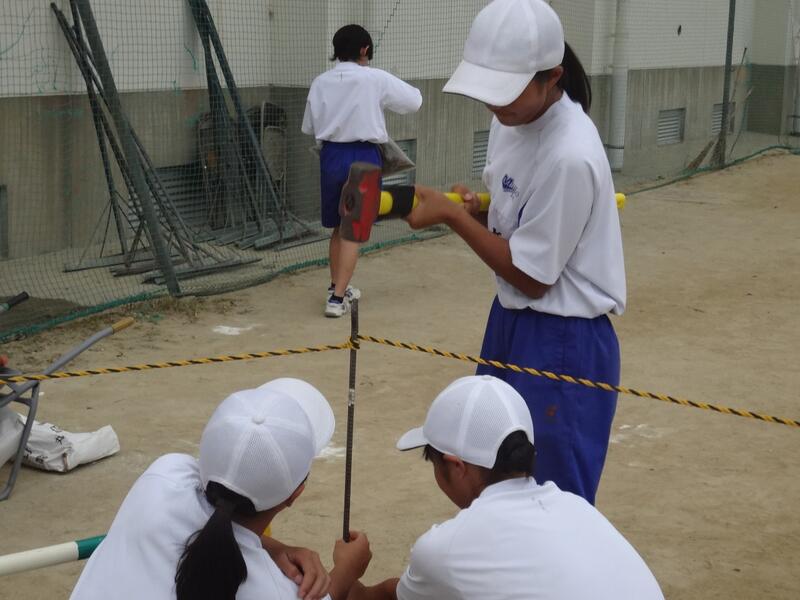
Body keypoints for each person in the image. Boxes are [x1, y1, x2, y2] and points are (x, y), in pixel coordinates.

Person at [404, 0, 625, 504]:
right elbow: (517, 227)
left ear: (552, 77)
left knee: (551, 494)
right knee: (491, 476)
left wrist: (454, 218)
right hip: (511, 320)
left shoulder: (570, 154)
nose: (494, 105)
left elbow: (533, 276)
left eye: (505, 90)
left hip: (564, 337)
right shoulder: (510, 121)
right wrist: (476, 211)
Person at [352, 375, 664, 600]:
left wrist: (346, 572)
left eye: (433, 463)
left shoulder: (447, 547)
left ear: (456, 466)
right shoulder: (575, 505)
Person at [70, 378, 372, 600]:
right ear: (295, 494)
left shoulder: (163, 476)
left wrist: (277, 548)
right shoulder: (274, 590)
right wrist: (348, 567)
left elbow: (219, 519)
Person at [302, 24, 422, 318]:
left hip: (331, 156)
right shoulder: (374, 78)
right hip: (364, 157)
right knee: (352, 229)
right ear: (364, 49)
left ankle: (336, 288)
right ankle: (336, 300)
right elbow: (414, 101)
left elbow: (309, 126)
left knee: (337, 226)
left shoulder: (320, 82)